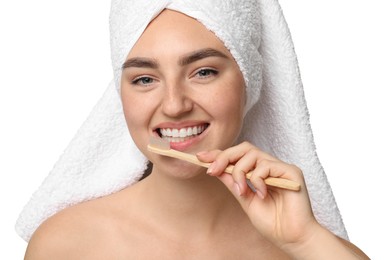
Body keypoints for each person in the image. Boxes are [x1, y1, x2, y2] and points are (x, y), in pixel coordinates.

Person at [18, 0, 369, 259]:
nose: (173, 105)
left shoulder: (311, 247)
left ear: (250, 80)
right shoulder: (65, 246)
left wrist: (305, 241)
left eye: (204, 72)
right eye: (144, 78)